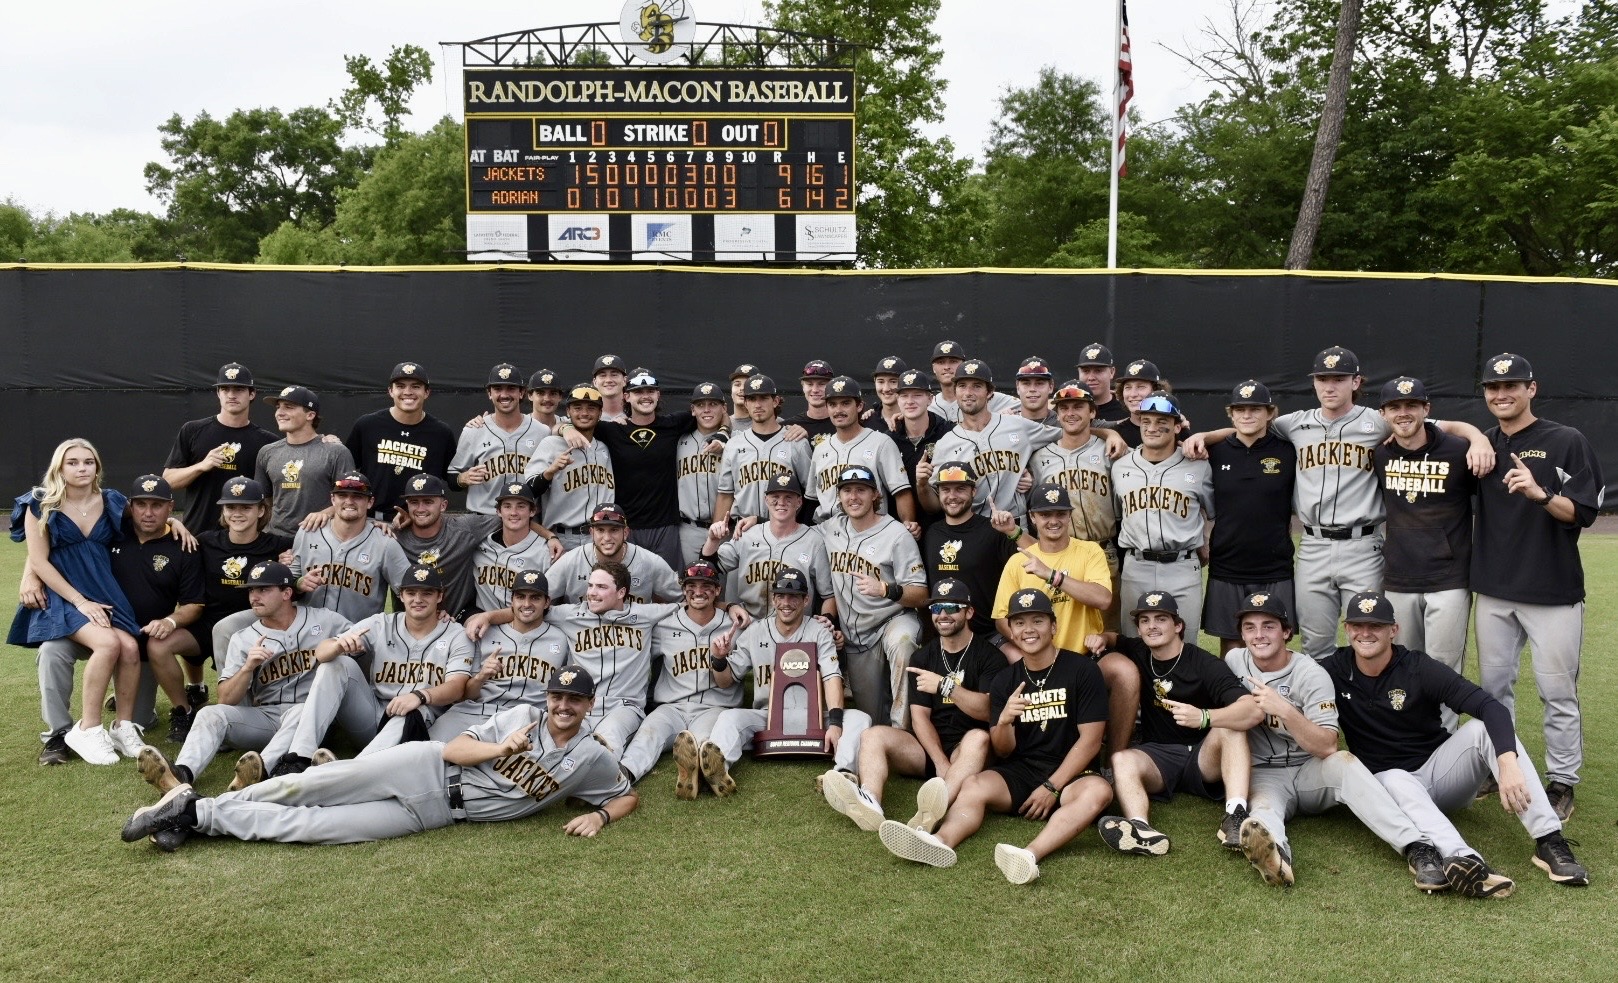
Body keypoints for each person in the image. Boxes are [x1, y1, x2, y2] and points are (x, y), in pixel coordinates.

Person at [1183, 345, 1491, 661]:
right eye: (1323, 379)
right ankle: (1321, 710)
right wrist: (1206, 436)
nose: (1330, 387)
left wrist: (1478, 438)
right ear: (1314, 383)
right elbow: (1248, 426)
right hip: (1313, 547)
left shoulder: (1380, 420)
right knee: (1315, 646)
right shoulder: (1294, 424)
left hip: (1363, 546)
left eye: (1339, 379)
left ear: (1355, 383)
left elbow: (1443, 426)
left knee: (1370, 635)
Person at [120, 665, 638, 851]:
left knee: (316, 828)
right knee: (306, 787)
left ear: (589, 705)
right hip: (424, 765)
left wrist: (597, 815)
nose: (564, 707)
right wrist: (503, 747)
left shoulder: (591, 757)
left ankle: (190, 815)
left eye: (574, 700)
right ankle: (194, 811)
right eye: (558, 698)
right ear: (548, 698)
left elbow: (626, 795)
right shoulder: (520, 717)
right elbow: (456, 749)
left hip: (431, 814)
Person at [1321, 591, 1589, 893]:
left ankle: (1549, 840)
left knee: (1481, 728)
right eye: (1358, 625)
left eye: (1376, 626)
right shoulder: (1333, 668)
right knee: (1394, 778)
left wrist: (1506, 760)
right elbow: (1288, 673)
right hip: (1390, 790)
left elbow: (1492, 708)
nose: (1365, 633)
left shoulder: (1418, 667)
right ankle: (1466, 860)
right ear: (1347, 629)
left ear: (1393, 630)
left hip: (1440, 776)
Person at [877, 589, 1112, 885]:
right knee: (974, 786)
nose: (1029, 630)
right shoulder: (1006, 680)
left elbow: (1090, 740)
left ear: (1053, 626)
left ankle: (1028, 855)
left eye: (1038, 621)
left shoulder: (1082, 670)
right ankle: (938, 841)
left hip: (1072, 774)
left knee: (1099, 792)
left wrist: (1052, 787)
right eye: (1020, 623)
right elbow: (1002, 750)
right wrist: (1004, 721)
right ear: (1011, 631)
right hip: (1023, 769)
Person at [1222, 591, 1448, 891]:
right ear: (1241, 634)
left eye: (1269, 626)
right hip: (1264, 773)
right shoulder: (1233, 661)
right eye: (1249, 627)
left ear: (1287, 632)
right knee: (1263, 814)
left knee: (1344, 763)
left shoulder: (1312, 674)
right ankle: (1276, 855)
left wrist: (1285, 710)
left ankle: (1418, 848)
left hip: (1309, 769)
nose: (1258, 635)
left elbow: (1328, 745)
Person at [1471, 353, 1601, 822]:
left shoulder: (1566, 441)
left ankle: (1562, 781)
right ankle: (1499, 766)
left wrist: (1540, 494)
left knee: (1557, 691)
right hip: (1493, 589)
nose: (1501, 394)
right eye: (1492, 387)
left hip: (1552, 591)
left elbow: (1583, 512)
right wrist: (1470, 437)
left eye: (1511, 386)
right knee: (1493, 689)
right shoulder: (1481, 443)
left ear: (1532, 388)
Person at [133, 561, 352, 796]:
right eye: (251, 591)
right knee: (210, 713)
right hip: (267, 717)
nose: (254, 597)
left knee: (301, 711)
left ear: (287, 593)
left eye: (263, 590)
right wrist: (248, 668)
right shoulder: (244, 638)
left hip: (313, 720)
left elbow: (363, 642)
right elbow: (226, 698)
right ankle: (181, 774)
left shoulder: (325, 620)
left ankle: (263, 769)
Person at [821, 579, 1005, 833]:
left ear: (969, 612)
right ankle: (870, 802)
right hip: (930, 749)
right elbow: (919, 717)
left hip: (968, 751)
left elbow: (986, 710)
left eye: (952, 607)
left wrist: (944, 686)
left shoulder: (990, 657)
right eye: (936, 609)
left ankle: (932, 812)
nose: (942, 615)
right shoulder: (923, 656)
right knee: (873, 734)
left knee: (978, 738)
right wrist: (939, 761)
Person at [257, 564, 474, 777]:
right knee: (336, 663)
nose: (418, 599)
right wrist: (339, 646)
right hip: (374, 716)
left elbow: (457, 687)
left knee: (413, 712)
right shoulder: (380, 624)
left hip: (417, 725)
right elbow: (321, 653)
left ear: (439, 596)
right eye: (411, 592)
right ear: (401, 595)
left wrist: (420, 695)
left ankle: (351, 773)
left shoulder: (456, 634)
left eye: (427, 593)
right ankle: (300, 758)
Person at [12, 441, 147, 764]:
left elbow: (148, 518)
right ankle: (87, 728)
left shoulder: (112, 501)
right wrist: (79, 601)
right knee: (107, 644)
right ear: (59, 468)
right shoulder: (40, 503)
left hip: (103, 591)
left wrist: (177, 523)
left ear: (97, 468)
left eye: (89, 462)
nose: (82, 468)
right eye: (72, 463)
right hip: (64, 595)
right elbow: (40, 561)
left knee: (129, 647)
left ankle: (123, 727)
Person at [1094, 592, 1252, 857]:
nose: (1152, 626)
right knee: (1121, 759)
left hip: (1203, 756)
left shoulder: (1203, 663)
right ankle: (1140, 830)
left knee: (1230, 726)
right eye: (1145, 620)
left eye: (1161, 619)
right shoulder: (1139, 650)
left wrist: (1203, 716)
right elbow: (1114, 638)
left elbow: (1250, 709)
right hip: (1159, 756)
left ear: (1178, 626)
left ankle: (1236, 816)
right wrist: (1101, 638)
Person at [698, 566, 866, 795]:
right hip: (768, 718)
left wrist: (835, 724)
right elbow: (727, 680)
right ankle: (716, 770)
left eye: (794, 596)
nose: (786, 602)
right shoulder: (756, 631)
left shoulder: (819, 631)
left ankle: (843, 774)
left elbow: (832, 677)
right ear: (773, 598)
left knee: (859, 718)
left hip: (814, 718)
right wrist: (718, 659)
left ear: (806, 600)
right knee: (729, 717)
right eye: (781, 595)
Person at [1375, 376, 1477, 730]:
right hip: (1399, 576)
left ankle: (1445, 740)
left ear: (1426, 410)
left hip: (1448, 577)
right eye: (1395, 407)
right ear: (1384, 414)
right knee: (1400, 663)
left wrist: (1477, 436)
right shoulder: (1381, 451)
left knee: (1444, 666)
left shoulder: (1457, 449)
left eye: (1411, 406)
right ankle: (1407, 737)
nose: (1403, 413)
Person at [570, 369, 725, 570]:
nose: (645, 396)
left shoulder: (674, 423)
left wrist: (723, 433)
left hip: (665, 527)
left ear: (658, 395)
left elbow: (718, 414)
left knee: (669, 591)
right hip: (627, 527)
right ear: (626, 396)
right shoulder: (611, 430)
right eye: (638, 392)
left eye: (650, 391)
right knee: (631, 588)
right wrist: (566, 429)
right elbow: (570, 423)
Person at [617, 562, 743, 793]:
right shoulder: (663, 625)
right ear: (683, 590)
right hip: (671, 708)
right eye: (691, 585)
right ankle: (622, 775)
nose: (698, 591)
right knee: (648, 734)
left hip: (714, 706)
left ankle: (700, 770)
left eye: (707, 585)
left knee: (705, 742)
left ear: (717, 591)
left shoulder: (734, 626)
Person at [820, 465, 928, 728]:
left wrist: (885, 589)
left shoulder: (897, 534)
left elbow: (922, 595)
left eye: (861, 490)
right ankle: (887, 735)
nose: (854, 497)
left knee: (902, 642)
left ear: (875, 494)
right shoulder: (829, 529)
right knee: (872, 720)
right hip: (856, 638)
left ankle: (904, 733)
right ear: (839, 496)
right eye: (847, 491)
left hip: (893, 620)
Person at [540, 562, 685, 755]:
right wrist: (488, 617)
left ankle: (605, 777)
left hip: (625, 707)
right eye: (590, 585)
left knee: (608, 739)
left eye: (601, 587)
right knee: (557, 743)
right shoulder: (569, 614)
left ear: (621, 592)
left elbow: (693, 604)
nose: (592, 592)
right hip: (582, 705)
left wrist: (731, 606)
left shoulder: (645, 614)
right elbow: (530, 609)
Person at [1202, 380, 1296, 654]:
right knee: (1232, 649)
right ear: (1230, 413)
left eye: (1255, 409)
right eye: (1240, 409)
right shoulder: (1214, 452)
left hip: (1274, 566)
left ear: (1270, 413)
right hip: (1227, 565)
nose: (1247, 415)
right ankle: (1232, 698)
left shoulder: (1288, 450)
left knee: (1273, 645)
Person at [1112, 393, 1215, 641]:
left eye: (1161, 422)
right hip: (1136, 566)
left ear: (1177, 426)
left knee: (1185, 646)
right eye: (1146, 421)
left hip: (1182, 566)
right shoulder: (1120, 466)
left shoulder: (1198, 465)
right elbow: (1119, 514)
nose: (1152, 427)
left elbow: (1213, 513)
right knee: (1134, 644)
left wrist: (1206, 539)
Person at [427, 568, 571, 741]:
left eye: (535, 597)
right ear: (511, 601)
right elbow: (466, 695)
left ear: (547, 602)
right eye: (520, 597)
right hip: (476, 711)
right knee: (431, 746)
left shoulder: (561, 639)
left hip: (526, 718)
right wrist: (481, 676)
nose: (526, 604)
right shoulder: (486, 633)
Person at [920, 359, 1060, 524]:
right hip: (972, 528)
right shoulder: (945, 443)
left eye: (977, 386)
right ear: (955, 390)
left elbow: (1068, 435)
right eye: (962, 386)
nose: (968, 393)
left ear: (989, 393)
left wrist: (1031, 470)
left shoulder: (1018, 426)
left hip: (1015, 524)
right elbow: (934, 507)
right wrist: (921, 486)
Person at [1027, 381, 1120, 628]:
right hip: (1059, 553)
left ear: (1092, 412)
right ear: (1056, 414)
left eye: (1078, 406)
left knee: (1107, 630)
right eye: (1064, 407)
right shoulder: (1039, 457)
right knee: (1062, 627)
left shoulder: (1111, 451)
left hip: (1102, 550)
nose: (1070, 413)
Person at [192, 477, 293, 695]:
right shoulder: (205, 541)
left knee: (225, 629)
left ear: (260, 511)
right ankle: (192, 698)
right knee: (159, 644)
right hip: (209, 620)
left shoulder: (280, 545)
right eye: (230, 506)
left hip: (256, 619)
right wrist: (173, 523)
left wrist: (289, 564)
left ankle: (233, 702)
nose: (237, 513)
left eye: (246, 507)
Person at [163, 362, 277, 531]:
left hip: (245, 538)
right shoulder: (193, 430)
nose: (231, 395)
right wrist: (201, 466)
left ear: (252, 394)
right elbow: (168, 480)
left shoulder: (267, 442)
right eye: (225, 389)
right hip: (197, 534)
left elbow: (273, 497)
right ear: (218, 393)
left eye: (238, 389)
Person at [393, 473, 523, 622]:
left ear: (443, 505)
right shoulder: (394, 536)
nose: (420, 508)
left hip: (459, 617)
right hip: (409, 622)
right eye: (414, 502)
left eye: (428, 501)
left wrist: (549, 536)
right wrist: (383, 526)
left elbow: (512, 518)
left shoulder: (465, 528)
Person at [702, 473, 832, 620]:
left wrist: (828, 618)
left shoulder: (813, 541)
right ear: (766, 500)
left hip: (794, 628)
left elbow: (828, 595)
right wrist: (712, 540)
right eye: (775, 497)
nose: (781, 502)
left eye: (788, 497)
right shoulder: (748, 535)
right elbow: (708, 569)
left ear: (799, 502)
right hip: (749, 623)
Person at [288, 471, 411, 622]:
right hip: (310, 637)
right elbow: (285, 585)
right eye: (342, 495)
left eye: (357, 497)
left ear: (370, 502)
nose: (349, 501)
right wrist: (299, 584)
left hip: (359, 639)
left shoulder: (385, 543)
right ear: (333, 499)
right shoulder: (308, 532)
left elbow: (410, 591)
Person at [920, 461, 1022, 643]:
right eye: (946, 490)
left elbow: (1036, 558)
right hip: (945, 637)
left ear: (973, 491)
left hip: (990, 636)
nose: (952, 496)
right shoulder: (931, 533)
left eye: (960, 489)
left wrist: (1013, 531)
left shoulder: (992, 530)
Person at [343, 361, 456, 521]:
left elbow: (452, 478)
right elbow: (345, 470)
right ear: (390, 391)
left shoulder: (441, 433)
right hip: (371, 521)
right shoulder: (367, 425)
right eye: (400, 386)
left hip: (418, 522)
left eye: (416, 386)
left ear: (427, 392)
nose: (408, 392)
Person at [806, 376, 916, 529]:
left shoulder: (881, 442)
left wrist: (908, 526)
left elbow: (901, 492)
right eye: (832, 404)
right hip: (827, 532)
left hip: (871, 530)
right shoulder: (820, 449)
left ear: (859, 406)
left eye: (845, 403)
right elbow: (811, 500)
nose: (838, 410)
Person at [711, 373, 813, 533]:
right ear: (745, 403)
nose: (757, 404)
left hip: (785, 530)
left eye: (763, 398)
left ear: (775, 401)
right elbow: (725, 494)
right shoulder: (733, 444)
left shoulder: (796, 441)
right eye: (752, 399)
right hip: (743, 530)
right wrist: (717, 532)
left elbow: (811, 494)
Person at [522, 383, 616, 552]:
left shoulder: (604, 447)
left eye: (591, 408)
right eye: (577, 408)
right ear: (568, 412)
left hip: (601, 536)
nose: (584, 413)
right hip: (562, 538)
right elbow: (528, 491)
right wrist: (550, 472)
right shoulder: (551, 444)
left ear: (600, 413)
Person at [252, 385, 355, 537]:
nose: (280, 413)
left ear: (310, 415)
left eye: (289, 407)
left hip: (321, 539)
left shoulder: (336, 452)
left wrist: (325, 513)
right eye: (278, 407)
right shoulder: (267, 452)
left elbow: (351, 500)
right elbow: (264, 501)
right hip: (275, 539)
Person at [449, 363, 549, 515]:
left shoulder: (542, 432)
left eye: (511, 388)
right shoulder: (474, 430)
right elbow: (452, 477)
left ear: (521, 393)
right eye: (497, 389)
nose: (504, 394)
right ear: (489, 393)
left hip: (526, 520)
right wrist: (462, 478)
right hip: (483, 518)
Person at [546, 504, 681, 605]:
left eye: (614, 530)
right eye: (600, 530)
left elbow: (682, 598)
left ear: (626, 533)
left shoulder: (650, 562)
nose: (607, 538)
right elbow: (540, 596)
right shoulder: (571, 561)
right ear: (592, 533)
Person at [870, 368, 951, 531]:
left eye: (917, 395)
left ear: (930, 399)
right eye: (904, 395)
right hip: (900, 529)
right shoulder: (888, 440)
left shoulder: (948, 433)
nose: (910, 401)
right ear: (897, 399)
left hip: (942, 528)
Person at [471, 482, 554, 614]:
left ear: (532, 511)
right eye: (507, 506)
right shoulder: (479, 546)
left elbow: (549, 605)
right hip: (483, 627)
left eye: (520, 507)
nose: (513, 512)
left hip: (525, 625)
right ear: (498, 511)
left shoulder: (546, 553)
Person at [675, 382, 731, 564]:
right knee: (691, 586)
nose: (706, 410)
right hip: (688, 530)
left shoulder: (737, 443)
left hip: (727, 530)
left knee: (722, 589)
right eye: (700, 405)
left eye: (713, 404)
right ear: (692, 410)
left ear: (724, 408)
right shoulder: (677, 442)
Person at [927, 340, 1018, 422]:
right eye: (941, 362)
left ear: (963, 365)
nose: (947, 367)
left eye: (953, 361)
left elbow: (1028, 408)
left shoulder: (990, 397)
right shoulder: (928, 405)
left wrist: (1003, 418)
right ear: (933, 368)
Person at [784, 359, 838, 447]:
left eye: (821, 384)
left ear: (832, 387)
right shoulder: (789, 427)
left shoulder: (844, 423)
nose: (815, 390)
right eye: (809, 384)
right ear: (803, 387)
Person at [1076, 343, 1129, 425]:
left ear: (1112, 372)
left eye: (1098, 371)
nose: (1091, 377)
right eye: (1085, 371)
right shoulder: (1067, 410)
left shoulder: (1127, 411)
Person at [1011, 356, 1058, 424]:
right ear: (1018, 387)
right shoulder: (1005, 424)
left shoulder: (1064, 426)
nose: (1032, 389)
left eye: (1039, 383)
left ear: (1051, 387)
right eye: (1026, 383)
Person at [869, 355, 908, 431]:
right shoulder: (866, 422)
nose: (886, 389)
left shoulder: (917, 420)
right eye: (881, 381)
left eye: (893, 382)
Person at [592, 353, 630, 423]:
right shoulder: (589, 417)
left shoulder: (636, 414)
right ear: (595, 382)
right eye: (602, 375)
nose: (608, 380)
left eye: (614, 375)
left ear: (625, 380)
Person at [525, 368, 564, 434]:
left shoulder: (568, 424)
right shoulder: (520, 425)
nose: (547, 399)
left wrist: (567, 428)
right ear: (530, 396)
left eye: (553, 393)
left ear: (560, 397)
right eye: (540, 393)